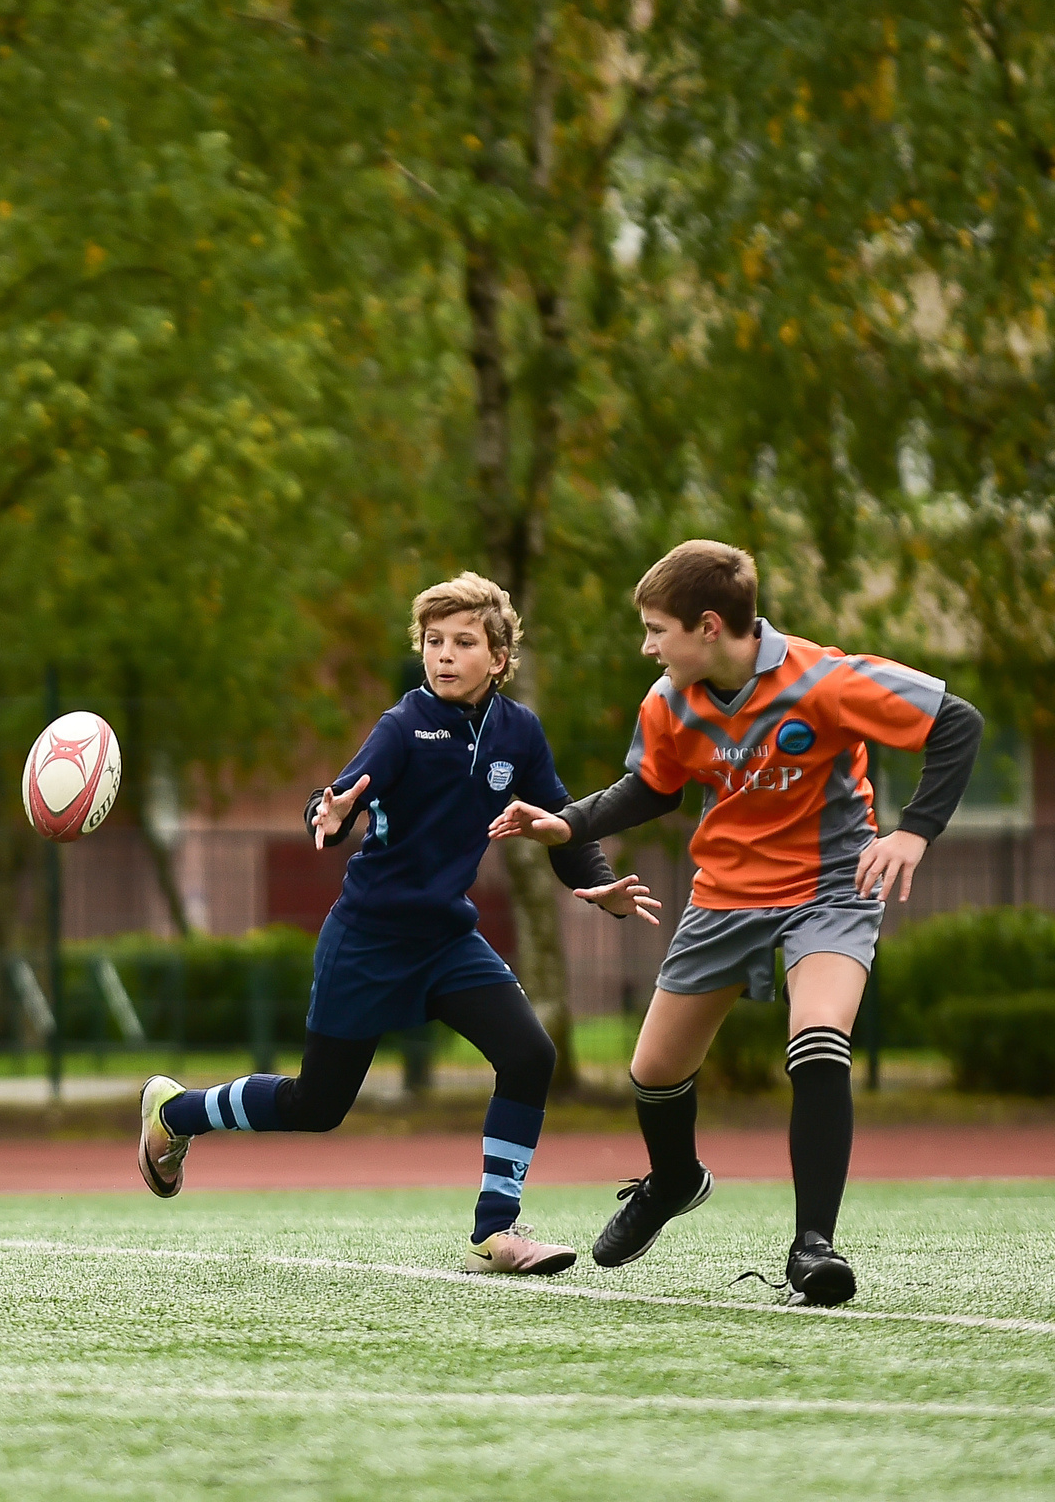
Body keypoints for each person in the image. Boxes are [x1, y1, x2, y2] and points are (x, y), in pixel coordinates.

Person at [491, 540, 980, 1305]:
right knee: (654, 1072)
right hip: (725, 895)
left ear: (709, 627)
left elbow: (957, 721)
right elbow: (651, 788)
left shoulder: (823, 677)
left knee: (819, 1037)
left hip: (831, 887)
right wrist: (569, 824)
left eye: (657, 629)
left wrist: (913, 830)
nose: (648, 645)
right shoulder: (668, 701)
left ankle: (814, 1247)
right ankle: (676, 1179)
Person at [137, 573, 660, 1274]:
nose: (443, 654)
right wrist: (328, 812)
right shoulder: (403, 725)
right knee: (317, 1104)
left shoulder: (519, 732)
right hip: (368, 939)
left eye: (463, 642)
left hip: (447, 940)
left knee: (531, 1054)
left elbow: (561, 823)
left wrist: (600, 884)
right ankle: (177, 1114)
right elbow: (344, 792)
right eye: (433, 641)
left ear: (499, 658)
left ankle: (495, 1231)